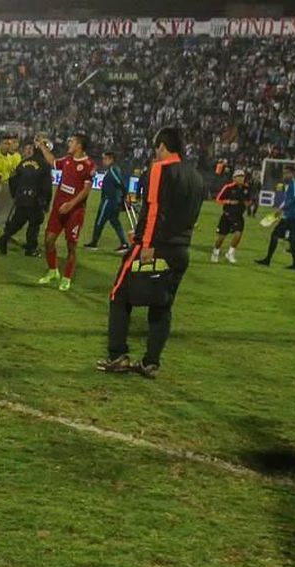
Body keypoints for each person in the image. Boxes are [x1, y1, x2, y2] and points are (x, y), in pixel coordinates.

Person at [98, 127, 204, 379]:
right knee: (162, 305)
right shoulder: (196, 177)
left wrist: (146, 242)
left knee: (119, 295)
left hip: (155, 246)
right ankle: (151, 362)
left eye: (156, 147)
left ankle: (117, 355)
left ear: (162, 146)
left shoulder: (160, 169)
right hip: (181, 249)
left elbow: (155, 208)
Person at [36, 133, 95, 291]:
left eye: (72, 142)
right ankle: (53, 271)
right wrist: (42, 146)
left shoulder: (88, 165)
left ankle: (67, 278)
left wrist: (71, 204)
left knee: (71, 246)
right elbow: (53, 162)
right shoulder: (68, 159)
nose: (69, 144)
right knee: (48, 241)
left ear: (79, 146)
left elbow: (86, 190)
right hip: (58, 209)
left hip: (75, 212)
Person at [0, 141, 52, 256]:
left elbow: (12, 179)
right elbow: (47, 186)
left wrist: (15, 194)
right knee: (34, 224)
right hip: (35, 200)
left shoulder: (23, 162)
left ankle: (5, 237)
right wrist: (46, 202)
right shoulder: (45, 165)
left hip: (21, 198)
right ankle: (31, 248)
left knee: (17, 222)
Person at [256, 167, 295, 270]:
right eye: (284, 173)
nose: (284, 175)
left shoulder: (294, 185)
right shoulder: (289, 185)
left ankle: (270, 260)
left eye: (286, 173)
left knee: (286, 238)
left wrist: (282, 209)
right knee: (280, 237)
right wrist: (280, 209)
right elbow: (287, 199)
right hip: (288, 216)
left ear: (292, 174)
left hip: (293, 217)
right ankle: (269, 260)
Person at [85, 151, 130, 252]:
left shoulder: (113, 169)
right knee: (115, 222)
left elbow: (120, 182)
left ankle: (94, 243)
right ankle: (124, 244)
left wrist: (125, 195)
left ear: (111, 159)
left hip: (110, 200)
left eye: (105, 159)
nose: (103, 161)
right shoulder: (112, 169)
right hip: (113, 200)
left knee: (100, 220)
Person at [210, 169, 252, 264]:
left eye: (242, 176)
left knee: (238, 233)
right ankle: (215, 252)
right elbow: (218, 199)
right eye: (239, 176)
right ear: (234, 178)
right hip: (227, 215)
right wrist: (229, 202)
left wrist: (248, 203)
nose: (241, 178)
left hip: (238, 215)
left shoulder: (247, 188)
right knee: (221, 237)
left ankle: (230, 253)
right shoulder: (228, 187)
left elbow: (248, 200)